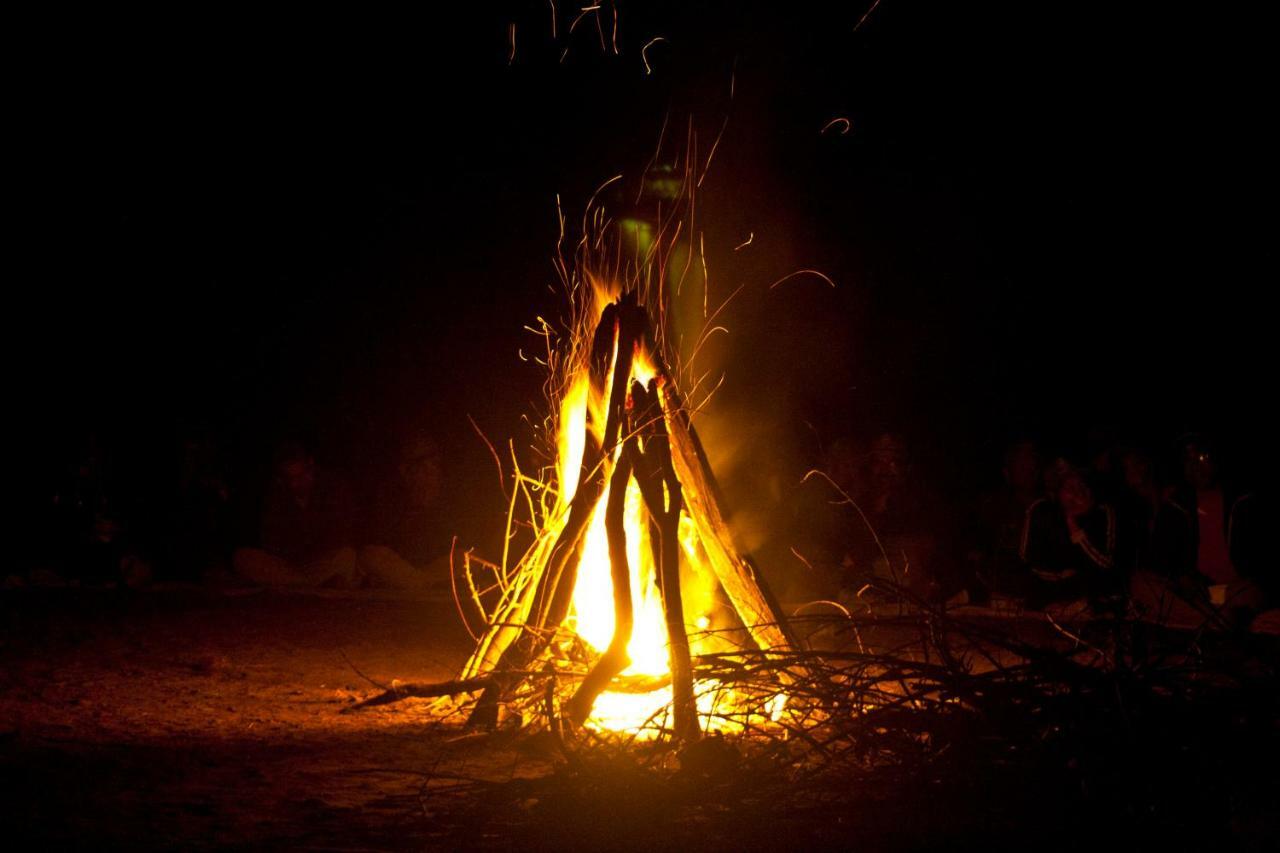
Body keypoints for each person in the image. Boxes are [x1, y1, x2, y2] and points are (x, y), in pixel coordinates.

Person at [1145, 436, 1263, 624]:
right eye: (1188, 461)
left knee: (1251, 593)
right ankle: (1215, 620)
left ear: (1216, 460)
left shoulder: (1243, 502)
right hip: (1196, 594)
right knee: (1142, 584)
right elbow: (1159, 559)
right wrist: (1182, 577)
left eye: (1201, 458)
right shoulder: (1175, 506)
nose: (1195, 467)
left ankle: (1210, 620)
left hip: (1233, 590)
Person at [232, 441, 359, 588]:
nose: (294, 484)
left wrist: (313, 548)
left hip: (322, 561)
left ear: (310, 467)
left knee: (346, 556)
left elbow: (341, 533)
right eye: (289, 478)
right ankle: (308, 583)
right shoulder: (277, 495)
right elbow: (270, 540)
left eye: (299, 477)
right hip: (289, 565)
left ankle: (301, 583)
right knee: (242, 557)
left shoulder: (333, 488)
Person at [1016, 459, 1120, 609]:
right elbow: (1027, 560)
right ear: (1057, 493)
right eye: (1070, 488)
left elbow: (1106, 565)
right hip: (1048, 598)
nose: (1078, 493)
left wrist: (1073, 526)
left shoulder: (1103, 514)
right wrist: (1059, 579)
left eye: (1082, 486)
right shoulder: (1040, 512)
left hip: (1089, 602)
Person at [357, 433, 452, 589]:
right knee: (372, 556)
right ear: (405, 471)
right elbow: (380, 549)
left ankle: (420, 585)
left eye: (434, 465)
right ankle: (420, 585)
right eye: (423, 465)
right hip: (402, 570)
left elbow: (452, 549)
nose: (431, 472)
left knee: (468, 559)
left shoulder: (447, 502)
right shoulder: (390, 500)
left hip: (430, 571)